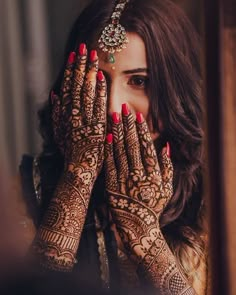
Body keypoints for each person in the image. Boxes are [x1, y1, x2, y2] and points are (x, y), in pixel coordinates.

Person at [18, 0, 208, 294]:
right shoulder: (27, 190)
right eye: (98, 81)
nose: (111, 106)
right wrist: (78, 176)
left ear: (175, 92)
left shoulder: (211, 200)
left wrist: (146, 237)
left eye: (139, 80)